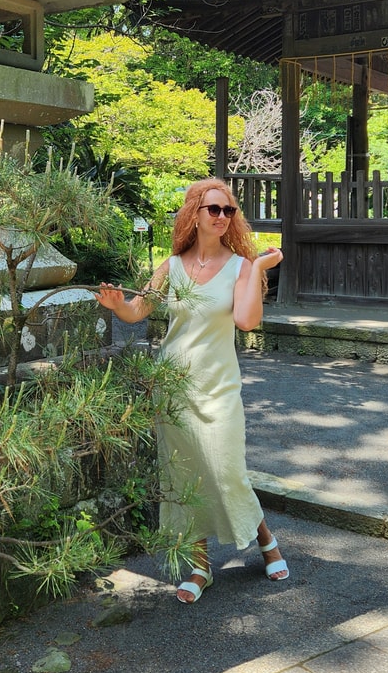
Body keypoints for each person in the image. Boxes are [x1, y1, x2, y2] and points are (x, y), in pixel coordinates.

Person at [95, 178, 287, 604]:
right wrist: (117, 305)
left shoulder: (241, 266)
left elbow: (247, 321)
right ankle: (200, 567)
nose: (222, 217)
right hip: (173, 387)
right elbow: (138, 310)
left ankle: (266, 541)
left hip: (219, 387)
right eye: (213, 209)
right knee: (185, 476)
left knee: (227, 472)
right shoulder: (172, 266)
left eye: (228, 210)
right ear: (194, 215)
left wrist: (258, 268)